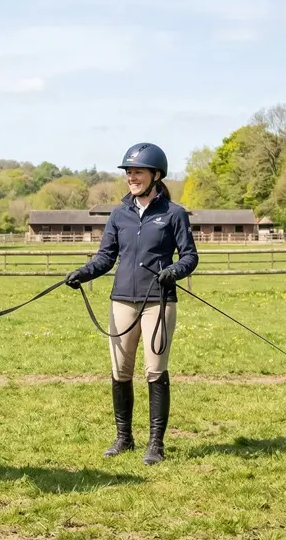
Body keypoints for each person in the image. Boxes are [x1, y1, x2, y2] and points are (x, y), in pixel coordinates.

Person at [64, 142, 198, 465]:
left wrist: (174, 271)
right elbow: (105, 257)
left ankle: (156, 444)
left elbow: (190, 256)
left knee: (155, 370)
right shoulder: (119, 215)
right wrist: (83, 273)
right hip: (122, 300)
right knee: (120, 371)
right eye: (128, 172)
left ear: (156, 175)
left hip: (158, 301)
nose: (131, 177)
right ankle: (123, 437)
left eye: (138, 172)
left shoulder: (174, 214)